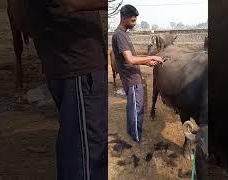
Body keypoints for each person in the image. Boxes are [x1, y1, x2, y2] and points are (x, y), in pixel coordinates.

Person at [27, 1, 107, 179]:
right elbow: (69, 3)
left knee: (75, 146)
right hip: (77, 65)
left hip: (69, 63)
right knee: (87, 159)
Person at [111, 4, 163, 142]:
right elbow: (130, 59)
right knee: (137, 108)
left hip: (132, 77)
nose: (135, 23)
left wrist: (146, 63)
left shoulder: (123, 34)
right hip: (131, 79)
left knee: (132, 106)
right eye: (133, 21)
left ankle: (131, 130)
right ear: (124, 18)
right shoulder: (120, 35)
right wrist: (152, 57)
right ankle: (137, 136)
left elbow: (129, 59)